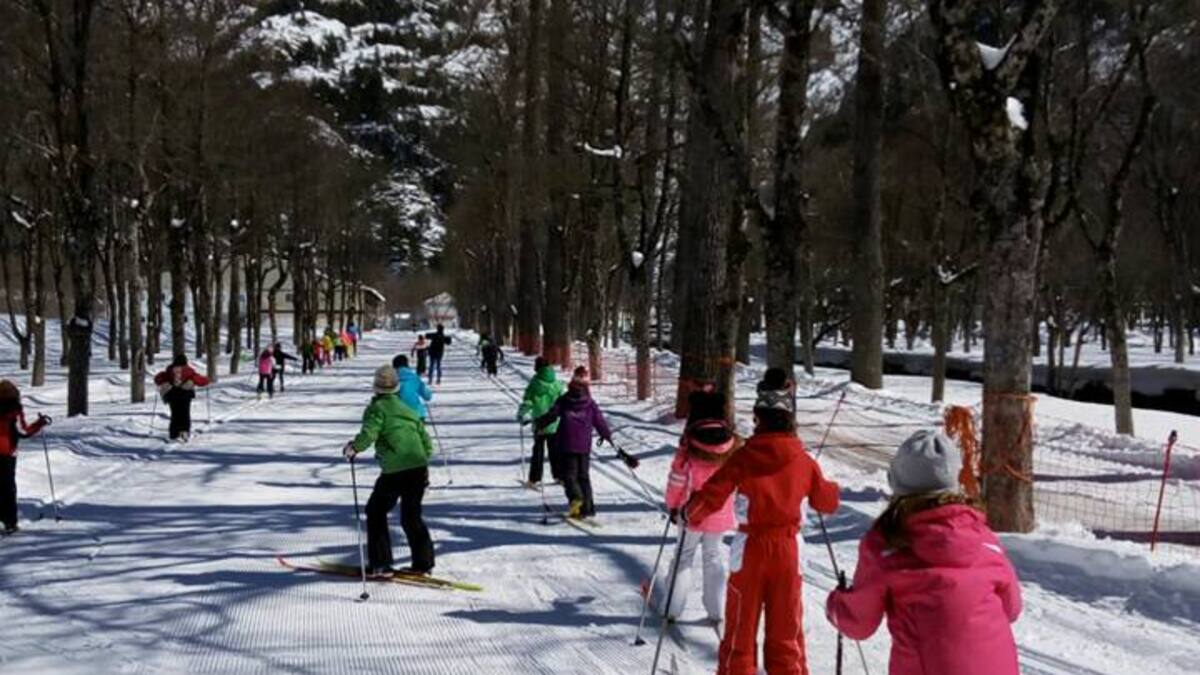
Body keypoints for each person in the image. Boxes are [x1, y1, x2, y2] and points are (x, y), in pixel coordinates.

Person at [826, 430, 1022, 675]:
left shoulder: (888, 544)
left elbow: (858, 624)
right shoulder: (983, 537)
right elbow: (1012, 608)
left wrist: (837, 604)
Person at [686, 367, 840, 675]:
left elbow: (713, 494)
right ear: (790, 420)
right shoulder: (803, 460)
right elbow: (827, 502)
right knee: (786, 630)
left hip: (750, 549)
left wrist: (689, 512)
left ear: (758, 418)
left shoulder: (744, 457)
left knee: (740, 627)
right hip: (789, 551)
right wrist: (829, 487)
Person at [343, 364, 436, 577]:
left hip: (396, 470)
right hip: (418, 467)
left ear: (376, 388)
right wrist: (423, 458)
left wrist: (353, 448)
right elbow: (425, 438)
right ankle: (424, 563)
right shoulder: (407, 409)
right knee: (411, 517)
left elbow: (369, 433)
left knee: (375, 511)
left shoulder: (377, 408)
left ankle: (381, 564)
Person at [656, 389, 738, 628]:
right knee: (714, 557)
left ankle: (672, 608)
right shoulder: (731, 443)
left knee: (684, 557)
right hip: (720, 513)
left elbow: (677, 480)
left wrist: (673, 506)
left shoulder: (690, 443)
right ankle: (717, 608)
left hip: (690, 513)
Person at [536, 367, 636, 519]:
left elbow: (552, 415)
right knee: (583, 476)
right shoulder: (590, 403)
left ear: (570, 386)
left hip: (567, 443)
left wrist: (539, 423)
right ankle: (588, 509)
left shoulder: (564, 400)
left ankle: (576, 498)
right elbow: (600, 422)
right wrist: (607, 436)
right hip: (584, 445)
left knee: (569, 476)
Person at [0, 380, 50, 535]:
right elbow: (24, 431)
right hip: (7, 452)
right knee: (7, 488)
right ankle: (10, 522)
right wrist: (39, 424)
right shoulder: (15, 410)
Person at [517, 357, 565, 486]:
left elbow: (528, 402)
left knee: (538, 452)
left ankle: (534, 478)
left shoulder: (534, 383)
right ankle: (560, 476)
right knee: (555, 451)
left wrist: (521, 414)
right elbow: (563, 400)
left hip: (539, 423)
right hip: (555, 422)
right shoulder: (557, 383)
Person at [153, 354, 211, 442]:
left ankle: (173, 433)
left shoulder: (170, 370)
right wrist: (206, 380)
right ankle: (184, 431)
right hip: (185, 395)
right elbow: (198, 379)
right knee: (185, 413)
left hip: (172, 395)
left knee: (175, 414)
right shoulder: (188, 370)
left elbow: (158, 378)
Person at [391, 355, 433, 421]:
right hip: (417, 413)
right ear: (407, 365)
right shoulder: (415, 378)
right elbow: (427, 396)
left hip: (399, 415)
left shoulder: (391, 380)